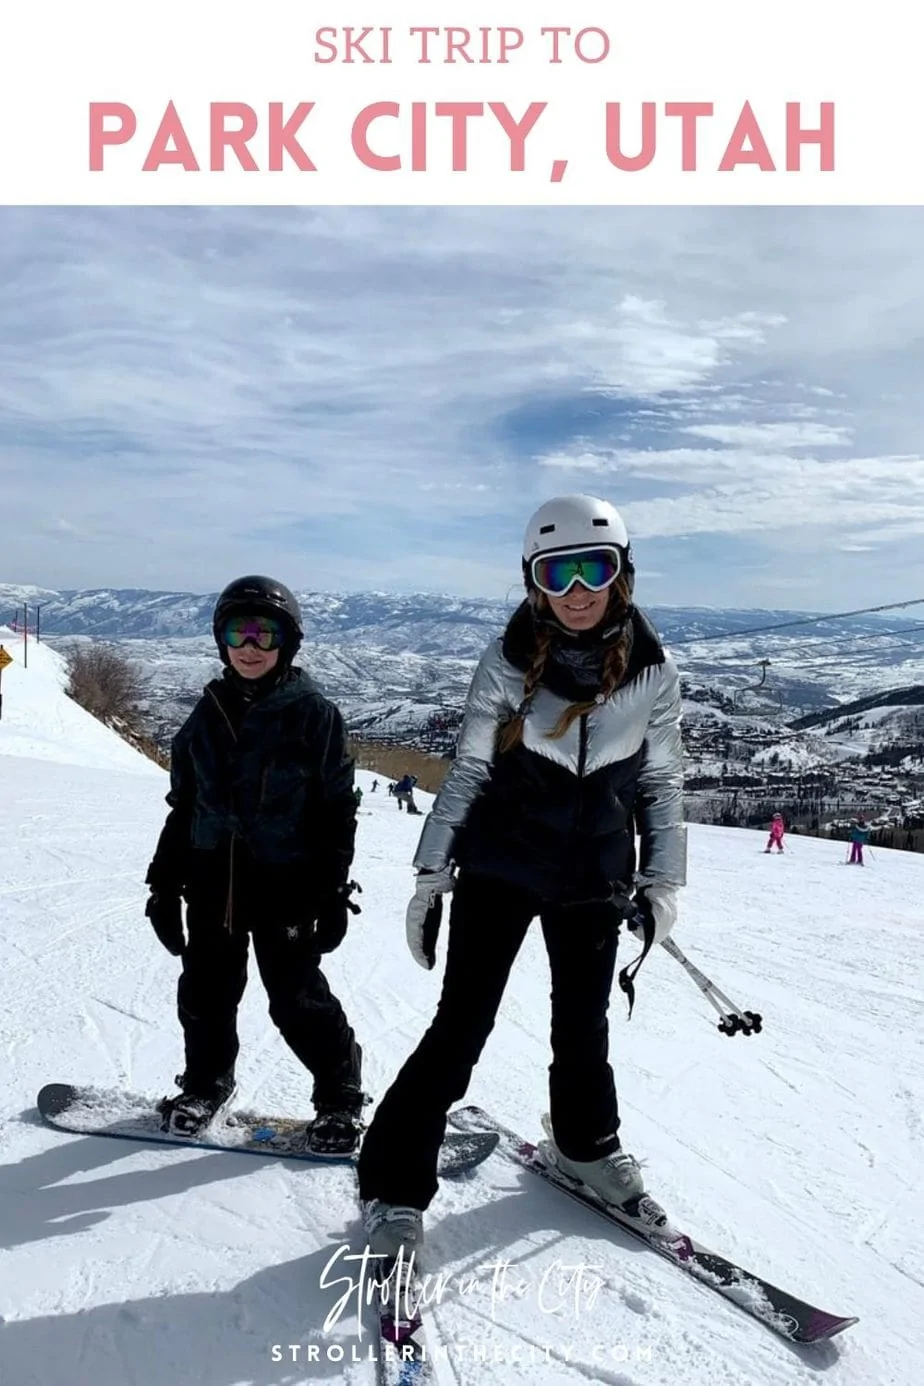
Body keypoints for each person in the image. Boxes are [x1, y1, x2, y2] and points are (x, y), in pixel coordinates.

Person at [357, 494, 686, 1259]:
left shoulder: (654, 672)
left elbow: (661, 783)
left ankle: (585, 1146)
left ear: (622, 573)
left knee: (584, 1028)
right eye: (556, 573)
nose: (577, 590)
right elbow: (468, 771)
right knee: (460, 1029)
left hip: (595, 877)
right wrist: (431, 869)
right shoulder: (507, 661)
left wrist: (662, 880)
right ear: (534, 580)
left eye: (592, 568)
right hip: (501, 868)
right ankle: (394, 1184)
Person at [144, 575, 366, 1154]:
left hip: (287, 884)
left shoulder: (313, 714)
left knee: (296, 998)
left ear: (286, 643)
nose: (249, 646)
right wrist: (163, 886)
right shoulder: (206, 714)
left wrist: (331, 891)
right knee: (206, 992)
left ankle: (340, 1095)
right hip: (212, 880)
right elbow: (184, 806)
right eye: (237, 633)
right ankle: (205, 1085)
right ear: (221, 640)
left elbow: (337, 810)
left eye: (264, 634)